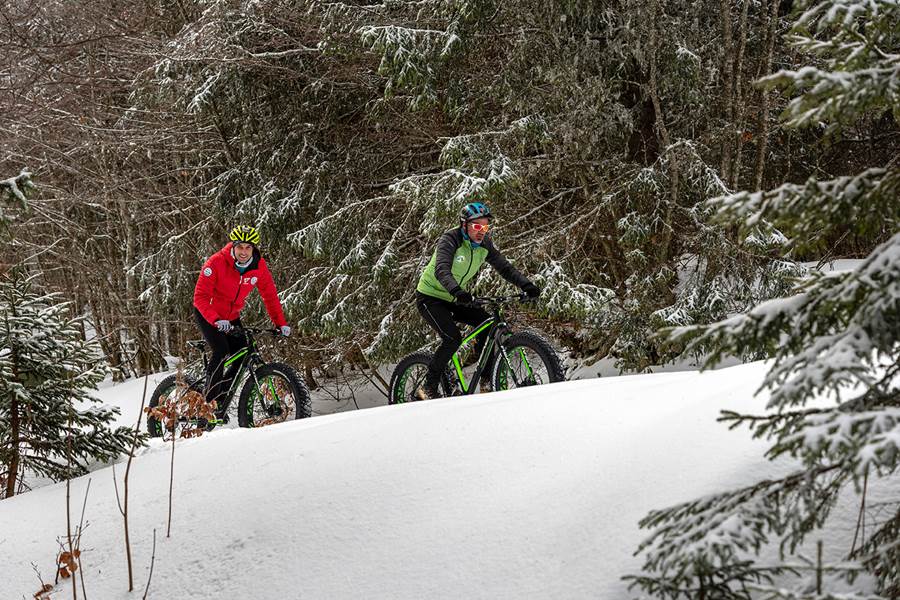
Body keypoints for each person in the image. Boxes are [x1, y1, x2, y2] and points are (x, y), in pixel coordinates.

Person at [415, 201, 540, 400]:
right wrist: (458, 291)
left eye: (485, 226)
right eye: (476, 226)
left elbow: (505, 268)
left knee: (488, 325)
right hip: (430, 297)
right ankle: (428, 387)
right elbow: (442, 270)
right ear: (464, 225)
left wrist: (526, 285)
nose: (481, 231)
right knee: (452, 339)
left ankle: (486, 381)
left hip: (455, 296)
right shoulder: (451, 239)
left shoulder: (484, 245)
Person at [192, 225, 291, 420]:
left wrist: (280, 323)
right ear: (233, 247)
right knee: (220, 350)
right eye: (240, 247)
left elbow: (270, 296)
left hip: (231, 316)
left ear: (253, 249)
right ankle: (208, 408)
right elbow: (200, 297)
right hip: (208, 313)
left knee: (242, 352)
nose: (244, 252)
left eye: (248, 248)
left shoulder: (258, 267)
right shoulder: (216, 263)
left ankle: (220, 400)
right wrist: (216, 319)